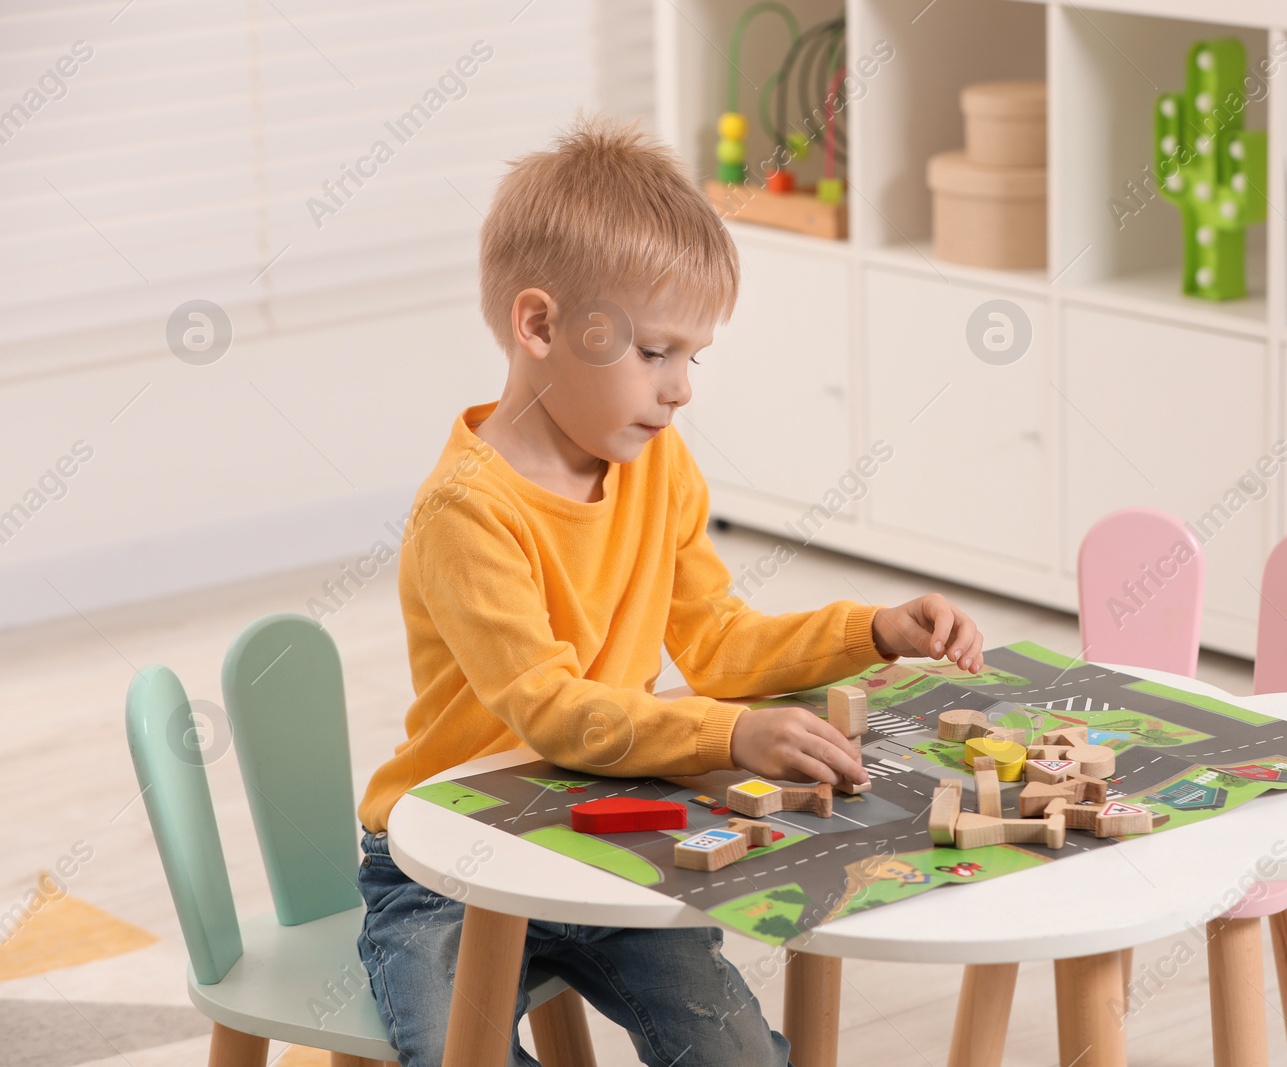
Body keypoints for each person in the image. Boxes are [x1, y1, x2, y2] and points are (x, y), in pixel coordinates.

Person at [354, 111, 987, 1067]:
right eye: (655, 353)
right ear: (539, 324)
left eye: (695, 356)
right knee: (459, 1055)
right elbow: (556, 712)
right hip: (450, 859)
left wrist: (875, 630)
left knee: (733, 1052)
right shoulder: (464, 513)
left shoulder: (659, 465)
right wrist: (729, 733)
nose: (682, 387)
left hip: (610, 828)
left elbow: (723, 643)